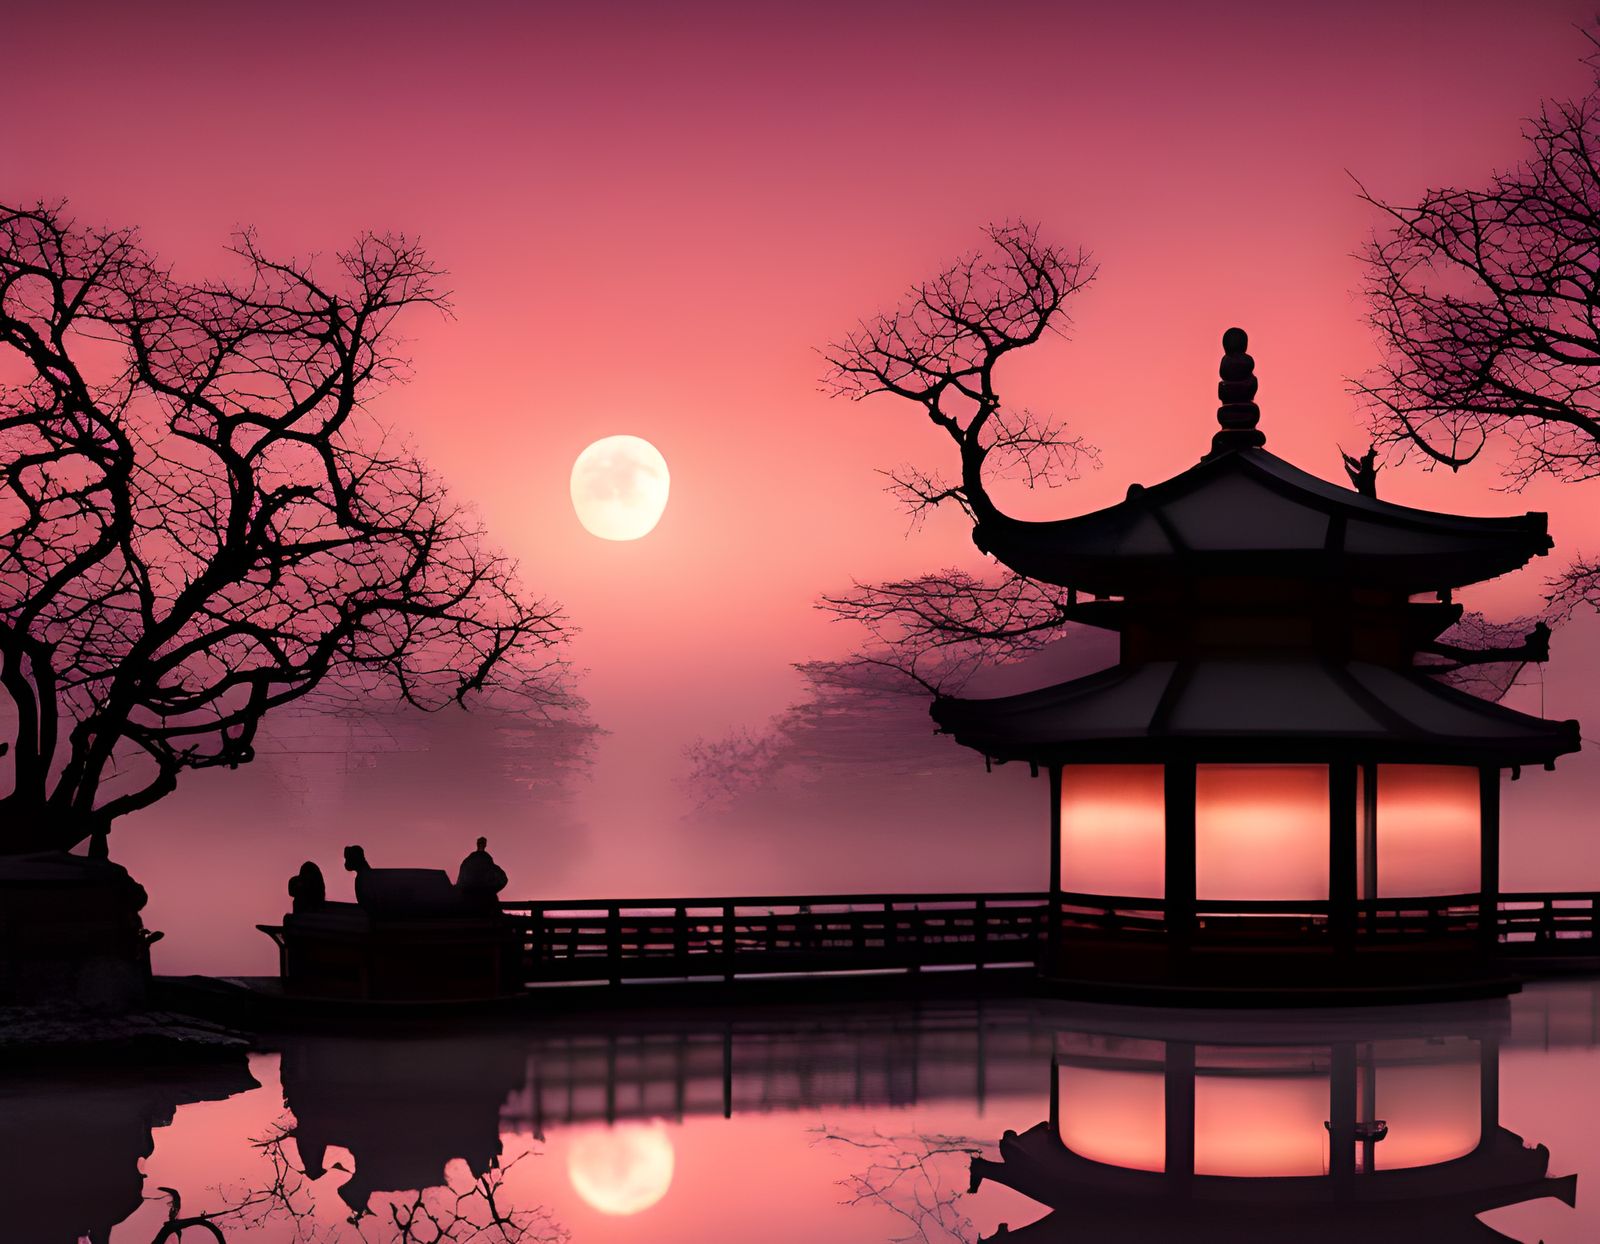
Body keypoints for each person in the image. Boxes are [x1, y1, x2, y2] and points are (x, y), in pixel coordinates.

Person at [455, 837, 508, 913]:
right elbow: (502, 878)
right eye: (481, 843)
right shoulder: (473, 859)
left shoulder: (473, 860)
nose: (482, 844)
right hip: (478, 896)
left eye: (482, 843)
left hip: (475, 895)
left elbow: (502, 878)